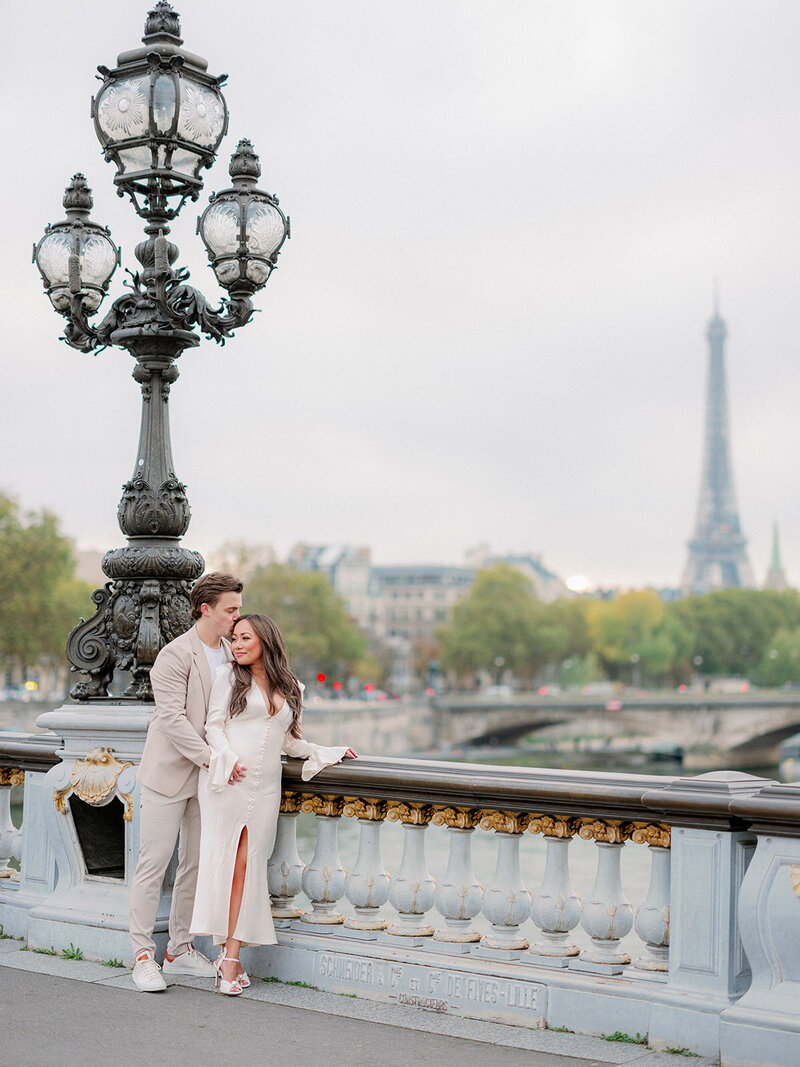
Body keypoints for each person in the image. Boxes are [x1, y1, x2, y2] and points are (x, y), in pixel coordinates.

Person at [190, 613, 357, 995]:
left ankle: (227, 955)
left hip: (266, 788)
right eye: (234, 638)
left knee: (249, 869)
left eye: (245, 637)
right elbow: (213, 726)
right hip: (229, 781)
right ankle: (230, 959)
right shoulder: (228, 677)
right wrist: (227, 757)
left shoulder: (292, 686)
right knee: (231, 866)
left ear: (265, 638)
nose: (237, 644)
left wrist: (324, 751)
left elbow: (288, 741)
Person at [129, 572, 244, 993]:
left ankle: (179, 950)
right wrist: (213, 759)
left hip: (209, 780)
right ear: (206, 609)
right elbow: (172, 720)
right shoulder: (175, 655)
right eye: (230, 609)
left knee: (195, 866)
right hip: (169, 773)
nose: (237, 617)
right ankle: (142, 955)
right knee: (154, 865)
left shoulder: (235, 653)